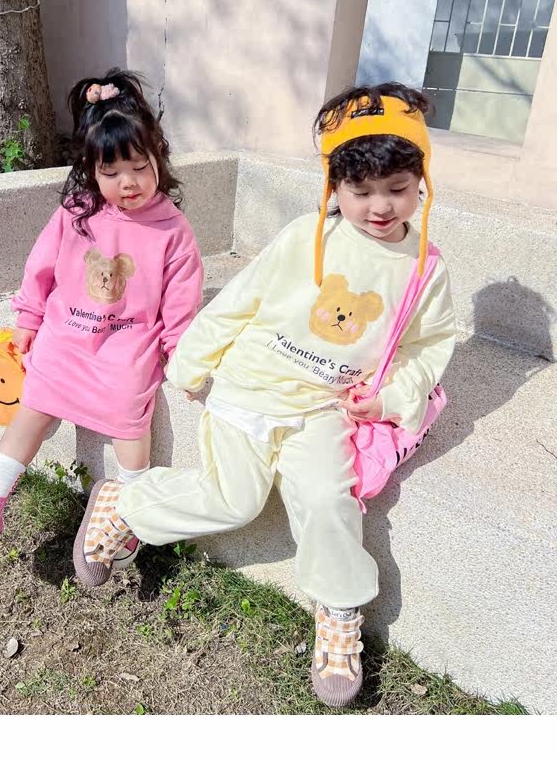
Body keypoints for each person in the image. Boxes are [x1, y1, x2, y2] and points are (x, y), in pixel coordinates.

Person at [71, 82, 456, 708]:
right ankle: (123, 504)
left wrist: (387, 398)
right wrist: (190, 364)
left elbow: (428, 347)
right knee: (234, 500)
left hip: (326, 408)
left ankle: (338, 613)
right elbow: (241, 300)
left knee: (328, 499)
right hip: (249, 389)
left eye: (397, 188)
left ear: (422, 183)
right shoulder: (306, 236)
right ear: (334, 186)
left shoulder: (425, 268)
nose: (381, 206)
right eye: (361, 191)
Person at [0, 69, 204, 568]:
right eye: (111, 172)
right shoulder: (77, 212)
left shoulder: (172, 230)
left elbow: (181, 302)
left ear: (159, 158)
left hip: (126, 344)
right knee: (34, 404)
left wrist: (181, 357)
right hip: (65, 337)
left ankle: (128, 511)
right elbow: (40, 267)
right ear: (90, 170)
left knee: (131, 409)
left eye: (139, 167)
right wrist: (28, 319)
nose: (128, 182)